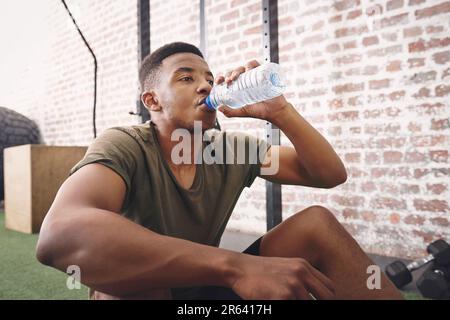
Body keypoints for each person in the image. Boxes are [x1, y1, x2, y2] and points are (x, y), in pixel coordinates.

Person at [36, 42, 403, 300]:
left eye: (209, 78)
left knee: (316, 225)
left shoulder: (227, 149)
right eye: (185, 78)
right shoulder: (126, 143)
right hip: (149, 287)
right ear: (152, 101)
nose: (205, 86)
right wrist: (235, 267)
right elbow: (59, 235)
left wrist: (280, 112)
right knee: (131, 292)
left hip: (206, 288)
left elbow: (328, 174)